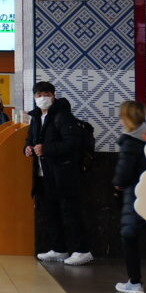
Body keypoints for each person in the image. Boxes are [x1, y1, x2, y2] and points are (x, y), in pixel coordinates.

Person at [24, 81, 93, 266]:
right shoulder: (36, 117)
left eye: (46, 94)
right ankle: (59, 249)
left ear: (53, 95)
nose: (42, 98)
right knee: (51, 212)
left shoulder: (63, 116)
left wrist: (46, 149)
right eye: (39, 95)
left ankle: (82, 250)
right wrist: (27, 148)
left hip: (63, 174)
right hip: (43, 174)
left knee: (70, 213)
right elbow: (29, 139)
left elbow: (72, 144)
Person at [113, 101, 146, 293]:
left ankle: (134, 282)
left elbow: (124, 172)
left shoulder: (130, 141)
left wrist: (117, 183)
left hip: (135, 195)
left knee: (129, 236)